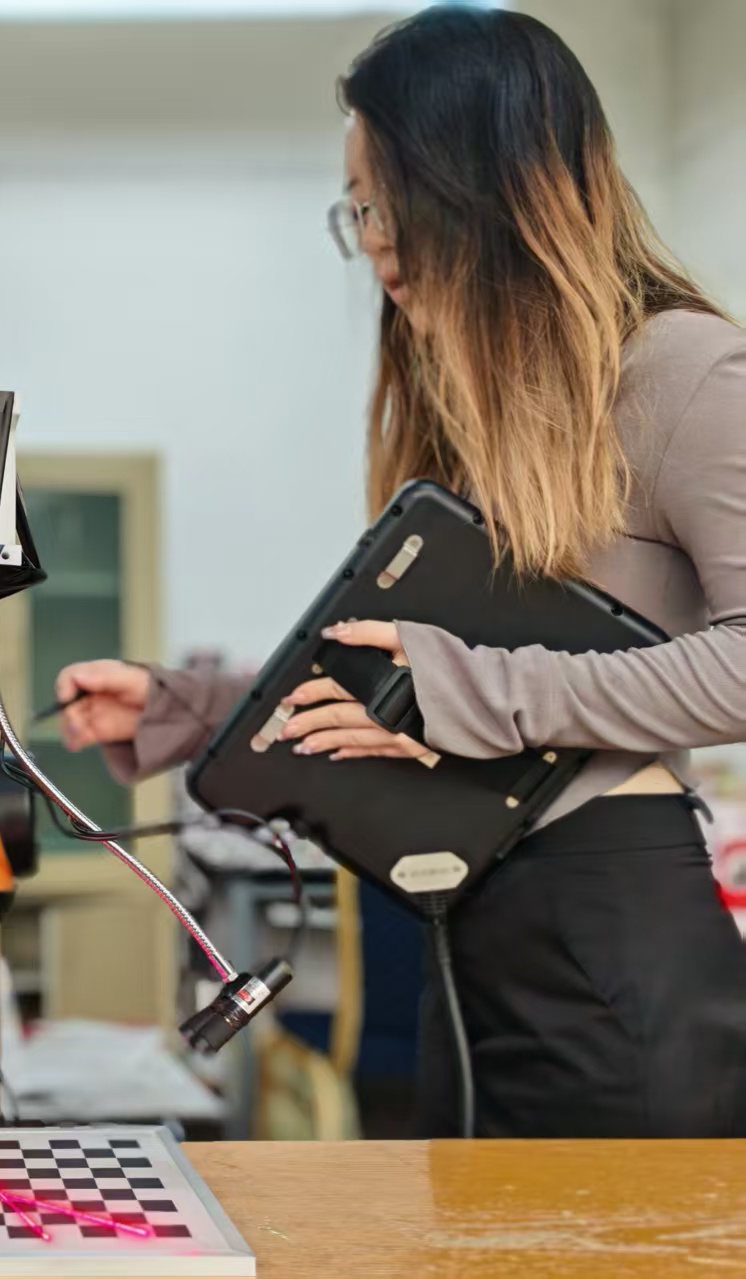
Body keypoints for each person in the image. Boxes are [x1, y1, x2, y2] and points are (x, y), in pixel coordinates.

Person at [57, 6, 746, 1139]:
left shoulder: (682, 372)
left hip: (608, 936)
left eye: (379, 201)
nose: (369, 241)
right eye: (354, 211)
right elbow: (426, 676)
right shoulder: (484, 417)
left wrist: (467, 688)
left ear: (479, 187)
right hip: (468, 930)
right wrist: (202, 710)